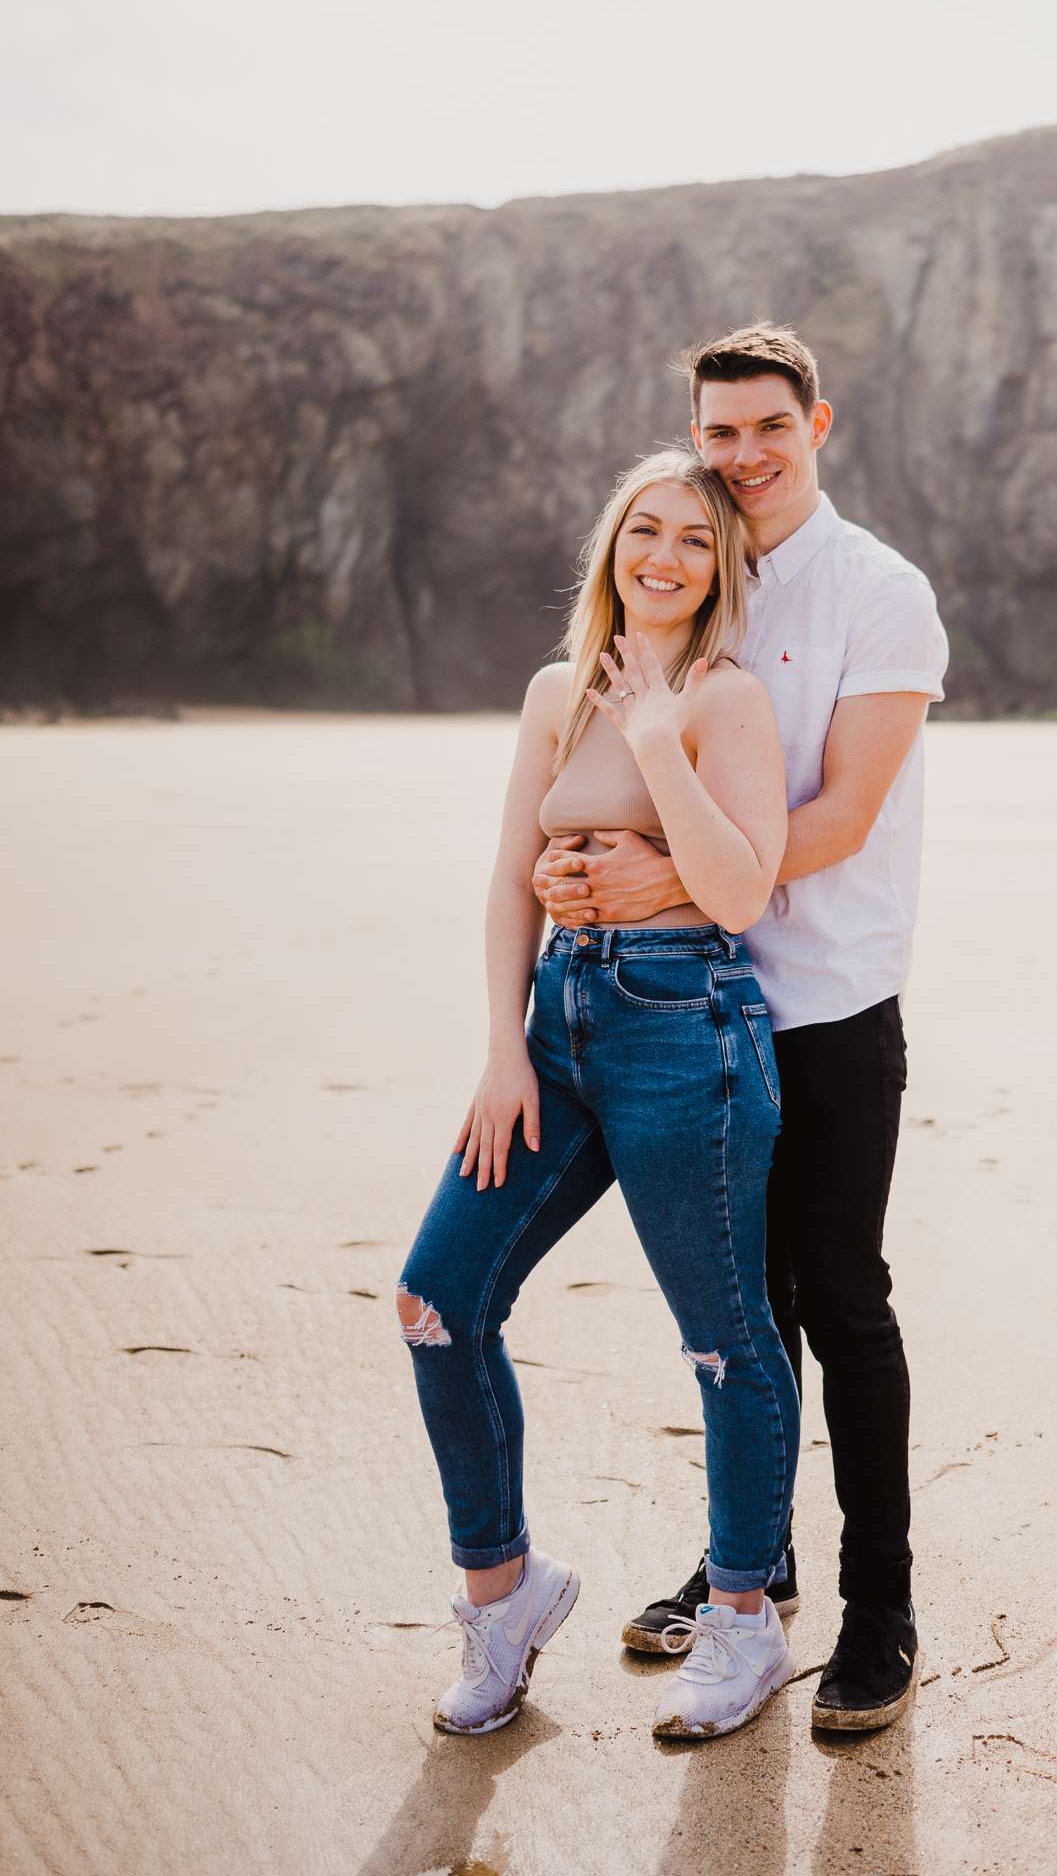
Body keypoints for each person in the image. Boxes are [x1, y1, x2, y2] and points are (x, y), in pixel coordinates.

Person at [534, 324, 949, 1734]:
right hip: (689, 1005)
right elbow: (617, 762)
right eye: (719, 432)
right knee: (735, 1312)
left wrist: (677, 876)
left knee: (839, 1299)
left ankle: (880, 1610)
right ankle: (744, 1584)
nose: (743, 455)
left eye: (769, 427)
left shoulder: (880, 593)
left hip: (823, 1004)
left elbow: (842, 812)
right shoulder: (684, 573)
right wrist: (583, 876)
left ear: (817, 425)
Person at [397, 446, 802, 1742]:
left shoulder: (729, 699)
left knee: (724, 1339)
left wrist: (653, 737)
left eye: (696, 538)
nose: (668, 556)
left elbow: (743, 892)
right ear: (612, 546)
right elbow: (512, 874)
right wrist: (503, 1047)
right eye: (647, 531)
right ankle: (504, 1596)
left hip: (693, 1029)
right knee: (436, 1301)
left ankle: (742, 1620)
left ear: (722, 566)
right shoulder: (552, 689)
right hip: (556, 1028)